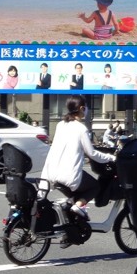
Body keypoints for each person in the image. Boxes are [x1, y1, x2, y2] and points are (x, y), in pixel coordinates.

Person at [40, 95, 115, 229]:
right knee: (95, 187)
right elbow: (91, 153)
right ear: (81, 108)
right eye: (85, 107)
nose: (87, 110)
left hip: (52, 173)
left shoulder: (60, 124)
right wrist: (110, 157)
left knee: (77, 196)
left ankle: (70, 226)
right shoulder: (81, 129)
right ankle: (78, 206)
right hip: (69, 174)